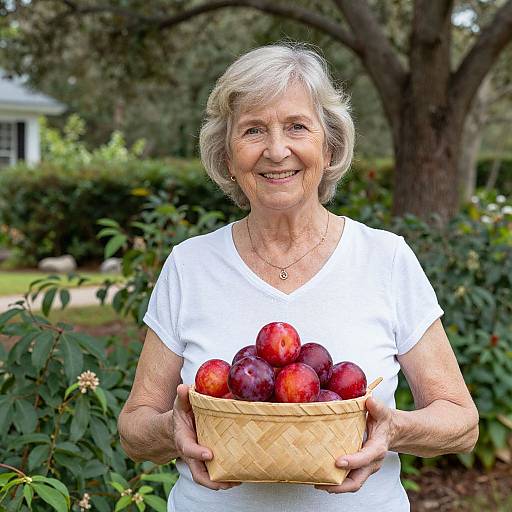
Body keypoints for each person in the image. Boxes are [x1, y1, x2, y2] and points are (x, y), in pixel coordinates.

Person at [118, 44, 479, 512]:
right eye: (252, 130)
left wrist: (396, 430)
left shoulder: (385, 259)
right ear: (228, 158)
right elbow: (134, 427)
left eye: (296, 126)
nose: (276, 150)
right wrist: (172, 430)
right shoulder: (189, 265)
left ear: (328, 147)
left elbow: (462, 421)